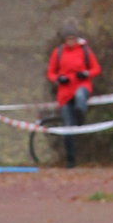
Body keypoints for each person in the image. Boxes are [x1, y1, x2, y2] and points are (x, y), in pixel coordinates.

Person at [46, 24, 102, 168]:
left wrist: (86, 73)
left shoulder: (85, 50)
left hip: (81, 85)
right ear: (65, 40)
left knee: (80, 97)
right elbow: (51, 73)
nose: (71, 41)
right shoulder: (58, 52)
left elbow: (96, 68)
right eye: (68, 39)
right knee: (67, 129)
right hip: (64, 93)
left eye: (73, 39)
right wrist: (58, 78)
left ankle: (80, 116)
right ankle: (70, 160)